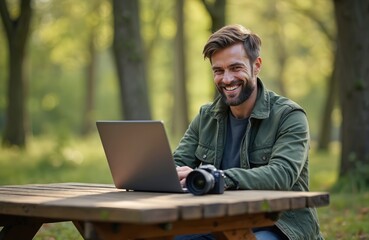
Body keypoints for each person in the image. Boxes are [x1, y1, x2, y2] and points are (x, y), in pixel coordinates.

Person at [173, 24, 323, 240]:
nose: (226, 79)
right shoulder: (206, 116)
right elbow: (177, 163)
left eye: (235, 68)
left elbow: (282, 174)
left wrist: (220, 178)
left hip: (278, 226)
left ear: (257, 65)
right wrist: (164, 173)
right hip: (214, 224)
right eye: (218, 70)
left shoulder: (289, 116)